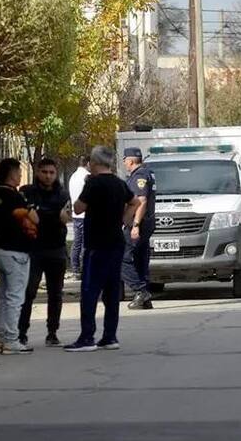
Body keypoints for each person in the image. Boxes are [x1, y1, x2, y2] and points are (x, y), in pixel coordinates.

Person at [65, 146, 140, 352]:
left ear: (94, 163)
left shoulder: (94, 183)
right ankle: (110, 336)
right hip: (116, 241)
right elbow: (134, 202)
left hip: (96, 244)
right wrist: (123, 219)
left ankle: (87, 337)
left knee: (89, 290)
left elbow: (78, 208)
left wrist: (85, 194)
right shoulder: (119, 183)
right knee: (111, 290)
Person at [18, 158, 71, 347]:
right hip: (33, 249)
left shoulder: (62, 193)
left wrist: (41, 214)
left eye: (52, 172)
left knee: (55, 293)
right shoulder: (27, 192)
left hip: (56, 249)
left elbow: (64, 218)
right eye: (44, 172)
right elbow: (31, 217)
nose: (48, 176)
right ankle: (21, 332)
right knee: (28, 292)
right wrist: (50, 214)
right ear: (37, 172)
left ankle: (52, 332)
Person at [0, 158, 38, 355]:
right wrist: (32, 210)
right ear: (11, 174)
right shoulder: (16, 197)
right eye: (18, 172)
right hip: (17, 251)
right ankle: (11, 339)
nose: (19, 176)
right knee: (15, 297)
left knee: (2, 296)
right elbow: (33, 218)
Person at [121, 148, 156, 310]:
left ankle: (140, 290)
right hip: (146, 223)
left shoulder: (139, 176)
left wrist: (135, 225)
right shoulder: (147, 173)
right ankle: (145, 298)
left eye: (124, 161)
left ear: (130, 161)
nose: (124, 164)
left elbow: (141, 201)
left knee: (122, 258)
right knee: (141, 259)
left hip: (139, 224)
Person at [68, 155, 90, 279]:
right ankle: (83, 268)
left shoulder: (73, 176)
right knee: (85, 243)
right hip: (86, 213)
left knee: (77, 241)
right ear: (87, 163)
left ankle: (75, 268)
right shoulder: (86, 177)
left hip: (76, 214)